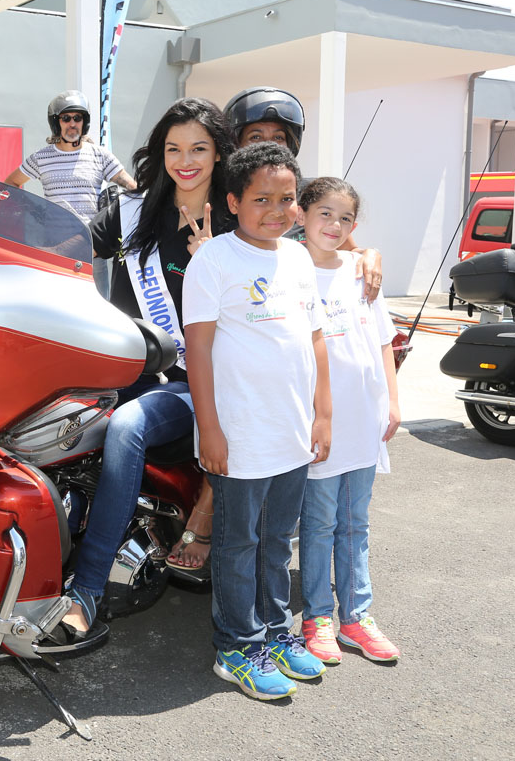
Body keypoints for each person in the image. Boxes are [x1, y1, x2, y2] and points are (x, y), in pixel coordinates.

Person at [60, 97, 236, 638]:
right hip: (128, 367)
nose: (185, 160)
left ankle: (86, 589)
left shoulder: (237, 218)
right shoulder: (134, 213)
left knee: (128, 427)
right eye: (174, 148)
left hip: (196, 381)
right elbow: (65, 243)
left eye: (199, 149)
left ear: (219, 153)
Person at [184, 141, 331, 700]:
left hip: (292, 433)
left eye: (288, 200)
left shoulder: (296, 257)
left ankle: (273, 632)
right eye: (262, 199)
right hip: (239, 434)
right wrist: (211, 429)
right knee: (237, 543)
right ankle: (236, 647)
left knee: (277, 541)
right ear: (232, 202)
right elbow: (197, 351)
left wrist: (323, 415)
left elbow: (315, 340)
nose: (277, 210)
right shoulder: (214, 259)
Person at [298, 178, 403, 664]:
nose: (334, 226)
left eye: (344, 218)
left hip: (365, 421)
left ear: (354, 226)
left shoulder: (363, 273)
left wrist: (393, 403)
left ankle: (357, 618)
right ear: (301, 215)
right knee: (318, 525)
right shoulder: (291, 270)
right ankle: (317, 616)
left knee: (355, 524)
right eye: (324, 213)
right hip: (321, 426)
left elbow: (383, 342)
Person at [224, 86, 383, 301]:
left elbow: (351, 251)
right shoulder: (224, 200)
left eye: (278, 137)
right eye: (255, 136)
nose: (268, 144)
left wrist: (370, 255)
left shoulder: (313, 195)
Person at [4, 90, 137, 298]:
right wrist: (30, 211)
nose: (72, 123)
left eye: (78, 117)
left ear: (85, 122)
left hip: (91, 249)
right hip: (55, 248)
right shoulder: (41, 158)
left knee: (97, 310)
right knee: (57, 308)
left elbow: (131, 185)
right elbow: (11, 182)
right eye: (66, 118)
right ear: (56, 122)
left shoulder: (99, 155)